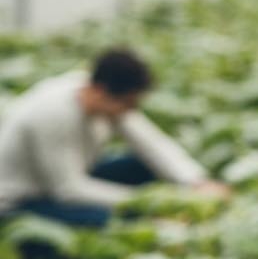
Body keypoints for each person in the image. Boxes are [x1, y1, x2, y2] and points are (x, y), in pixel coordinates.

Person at [0, 48, 229, 227]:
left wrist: (196, 182)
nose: (130, 111)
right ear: (101, 91)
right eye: (127, 103)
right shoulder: (51, 114)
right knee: (110, 220)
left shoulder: (97, 93)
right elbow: (67, 190)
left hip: (68, 180)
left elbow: (150, 142)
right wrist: (149, 203)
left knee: (140, 165)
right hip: (23, 201)